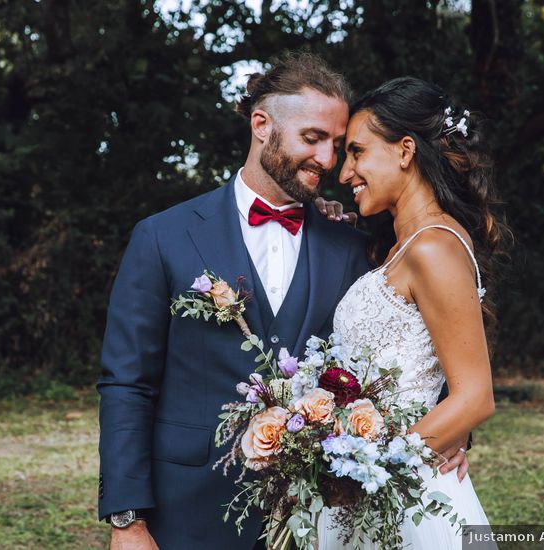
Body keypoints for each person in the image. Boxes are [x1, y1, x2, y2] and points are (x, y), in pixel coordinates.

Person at [98, 53, 470, 550]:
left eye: (338, 145)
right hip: (187, 512)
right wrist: (127, 520)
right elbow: (127, 384)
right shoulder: (163, 237)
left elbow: (415, 335)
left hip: (321, 517)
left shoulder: (353, 248)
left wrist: (453, 431)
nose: (328, 160)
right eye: (313, 139)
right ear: (261, 125)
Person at [317, 76, 503, 549]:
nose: (344, 173)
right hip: (385, 483)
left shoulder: (434, 247)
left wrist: (364, 468)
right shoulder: (404, 247)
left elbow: (475, 397)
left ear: (404, 151)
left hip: (410, 499)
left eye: (357, 152)